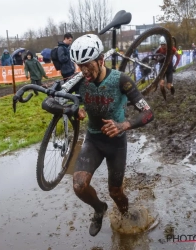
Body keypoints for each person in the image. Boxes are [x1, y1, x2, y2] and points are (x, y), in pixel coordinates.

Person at [68, 34, 154, 237]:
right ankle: (99, 209)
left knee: (115, 192)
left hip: (116, 144)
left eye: (88, 65)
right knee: (79, 186)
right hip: (94, 140)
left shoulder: (120, 80)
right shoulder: (80, 79)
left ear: (100, 60)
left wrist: (124, 125)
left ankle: (125, 215)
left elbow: (148, 113)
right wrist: (74, 109)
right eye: (80, 66)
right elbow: (63, 100)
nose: (84, 71)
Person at [155, 36, 180, 101]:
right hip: (162, 69)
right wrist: (155, 59)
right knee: (161, 85)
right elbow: (154, 57)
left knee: (168, 86)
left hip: (169, 68)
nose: (163, 46)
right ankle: (165, 99)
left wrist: (175, 66)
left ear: (167, 44)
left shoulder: (172, 48)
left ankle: (172, 92)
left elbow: (178, 57)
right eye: (161, 45)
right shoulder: (159, 49)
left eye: (164, 45)